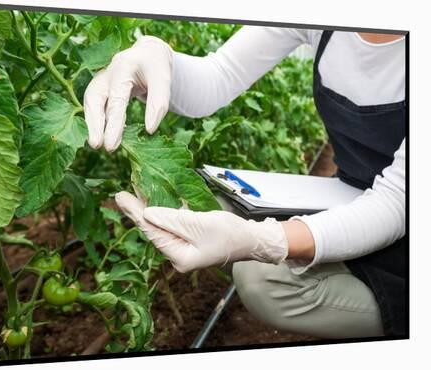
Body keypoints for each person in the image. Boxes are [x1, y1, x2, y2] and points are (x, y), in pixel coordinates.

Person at [82, 26, 406, 339]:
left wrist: (266, 240)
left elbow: (397, 202)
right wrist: (158, 58)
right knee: (208, 206)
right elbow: (220, 75)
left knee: (261, 279)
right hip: (351, 190)